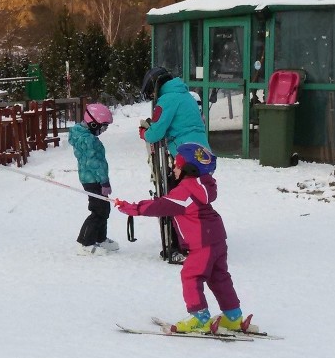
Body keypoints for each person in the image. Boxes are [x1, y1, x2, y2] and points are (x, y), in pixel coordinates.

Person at [113, 143, 249, 334]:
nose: (174, 169)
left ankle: (200, 319)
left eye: (177, 166)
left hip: (203, 243)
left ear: (188, 169)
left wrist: (131, 208)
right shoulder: (203, 187)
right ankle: (233, 316)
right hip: (217, 239)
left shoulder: (185, 191)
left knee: (191, 276)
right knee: (219, 278)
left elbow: (158, 207)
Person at [139, 66, 213, 263]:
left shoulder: (167, 99)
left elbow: (156, 132)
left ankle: (177, 246)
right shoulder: (185, 95)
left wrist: (144, 133)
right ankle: (202, 238)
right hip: (202, 154)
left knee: (175, 201)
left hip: (185, 156)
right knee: (197, 200)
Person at [69, 102, 118, 256]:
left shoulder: (85, 136)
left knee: (104, 208)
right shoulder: (88, 140)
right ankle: (85, 243)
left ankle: (100, 238)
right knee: (98, 210)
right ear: (93, 123)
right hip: (93, 179)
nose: (103, 130)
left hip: (93, 177)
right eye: (102, 127)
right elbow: (94, 163)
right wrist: (104, 181)